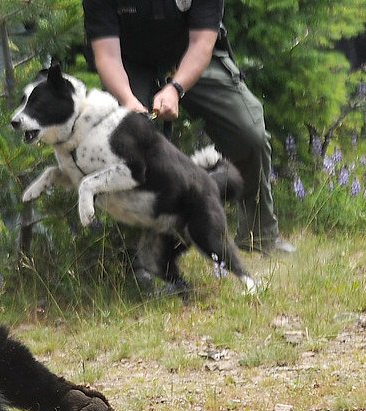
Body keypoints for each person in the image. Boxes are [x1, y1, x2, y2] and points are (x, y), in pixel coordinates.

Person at [82, 0, 295, 254]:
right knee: (131, 146)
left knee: (248, 133)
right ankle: (141, 257)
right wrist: (128, 100)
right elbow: (106, 54)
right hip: (129, 62)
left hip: (192, 55)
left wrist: (176, 88)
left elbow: (202, 43)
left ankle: (259, 236)